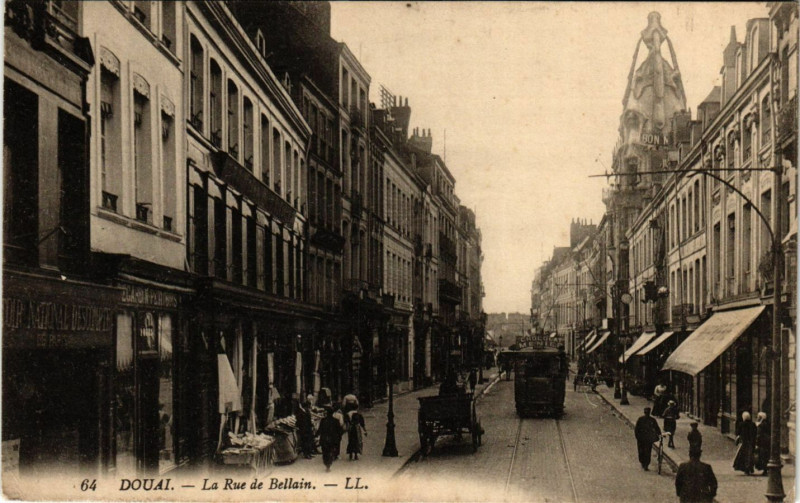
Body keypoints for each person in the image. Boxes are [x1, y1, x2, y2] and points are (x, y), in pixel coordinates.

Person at [317, 407, 340, 472]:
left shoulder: (323, 420)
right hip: (332, 439)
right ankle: (328, 464)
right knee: (330, 451)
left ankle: (327, 464)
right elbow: (339, 431)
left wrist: (316, 435)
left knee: (325, 452)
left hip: (324, 439)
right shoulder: (336, 420)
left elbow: (320, 429)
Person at [755, 411, 770, 476]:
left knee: (763, 456)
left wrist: (757, 442)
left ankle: (765, 470)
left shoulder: (761, 425)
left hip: (763, 442)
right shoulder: (766, 423)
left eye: (758, 417)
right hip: (766, 442)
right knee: (765, 456)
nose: (757, 418)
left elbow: (759, 434)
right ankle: (766, 469)